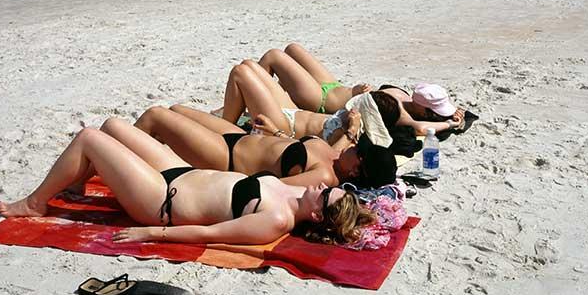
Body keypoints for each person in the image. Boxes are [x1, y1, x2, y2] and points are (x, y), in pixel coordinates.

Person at [0, 120, 374, 246]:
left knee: (91, 137)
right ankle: (75, 183)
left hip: (162, 201)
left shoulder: (275, 220)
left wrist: (150, 235)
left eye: (325, 194)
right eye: (328, 187)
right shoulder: (296, 195)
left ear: (316, 215)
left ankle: (35, 203)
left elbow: (212, 235)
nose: (322, 187)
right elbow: (363, 213)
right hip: (179, 171)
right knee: (113, 125)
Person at [133, 105, 395, 189]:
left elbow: (274, 188)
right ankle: (144, 156)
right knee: (177, 110)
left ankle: (114, 161)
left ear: (356, 170)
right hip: (238, 136)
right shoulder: (338, 156)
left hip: (227, 157)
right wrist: (276, 133)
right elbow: (346, 139)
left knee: (156, 116)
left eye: (359, 152)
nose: (354, 147)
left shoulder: (325, 176)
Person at [256, 43, 471, 135]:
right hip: (335, 86)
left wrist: (449, 123)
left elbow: (421, 129)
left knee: (273, 56)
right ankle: (271, 96)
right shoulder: (404, 96)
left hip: (320, 101)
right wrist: (453, 114)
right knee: (292, 48)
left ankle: (254, 103)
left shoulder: (403, 112)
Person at [214, 59, 401, 144]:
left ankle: (223, 129)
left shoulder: (352, 137)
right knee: (249, 65)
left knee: (240, 73)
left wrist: (351, 130)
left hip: (286, 126)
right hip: (293, 113)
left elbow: (330, 157)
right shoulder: (356, 120)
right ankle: (228, 119)